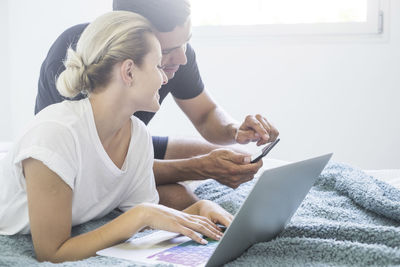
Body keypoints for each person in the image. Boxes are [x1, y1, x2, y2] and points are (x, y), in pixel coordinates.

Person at [0, 11, 233, 263]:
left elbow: (147, 222)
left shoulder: (137, 135)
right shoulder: (55, 135)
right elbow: (52, 252)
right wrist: (142, 214)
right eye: (157, 66)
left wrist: (198, 210)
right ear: (129, 72)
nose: (164, 78)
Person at [35, 0, 279, 209]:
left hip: (127, 147)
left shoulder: (178, 55)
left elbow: (205, 114)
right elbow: (100, 169)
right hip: (82, 163)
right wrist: (200, 168)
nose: (182, 58)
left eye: (186, 42)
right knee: (179, 197)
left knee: (239, 158)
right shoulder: (86, 59)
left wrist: (236, 131)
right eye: (168, 50)